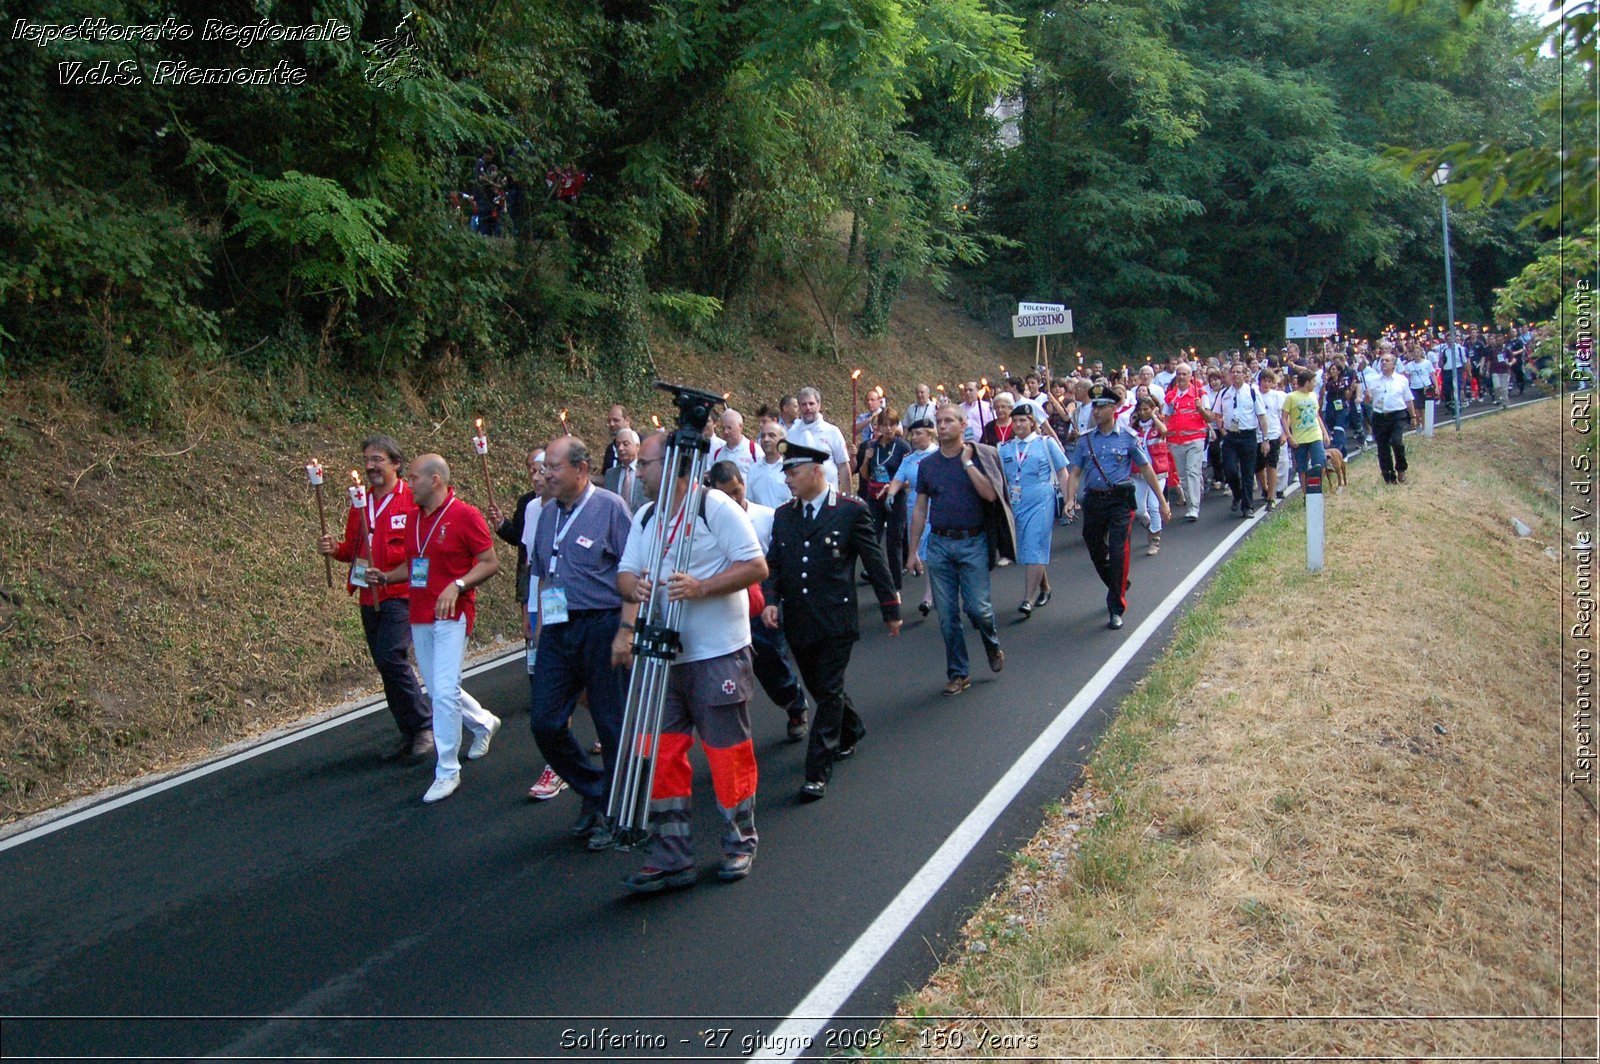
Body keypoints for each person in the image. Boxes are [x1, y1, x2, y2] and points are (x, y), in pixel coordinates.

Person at [612, 431, 768, 892]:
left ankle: (739, 843)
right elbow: (625, 571)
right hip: (662, 656)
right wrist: (632, 590)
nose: (638, 472)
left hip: (717, 652)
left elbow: (756, 566)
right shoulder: (644, 517)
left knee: (726, 753)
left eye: (646, 463)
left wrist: (702, 587)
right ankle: (670, 854)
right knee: (659, 754)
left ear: (676, 466)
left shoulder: (714, 507)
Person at [761, 442, 901, 801]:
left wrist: (890, 607)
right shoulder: (784, 515)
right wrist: (772, 601)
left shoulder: (850, 511)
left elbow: (874, 560)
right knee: (823, 688)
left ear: (816, 470)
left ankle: (817, 770)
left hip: (836, 618)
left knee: (829, 689)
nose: (788, 479)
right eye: (787, 473)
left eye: (793, 472)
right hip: (800, 619)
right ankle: (851, 728)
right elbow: (774, 564)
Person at [369, 454, 502, 803]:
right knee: (440, 689)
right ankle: (483, 721)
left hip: (453, 614)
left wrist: (458, 585)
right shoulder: (413, 519)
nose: (407, 484)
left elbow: (489, 562)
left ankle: (447, 769)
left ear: (435, 481)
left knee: (443, 692)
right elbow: (415, 565)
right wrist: (386, 576)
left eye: (413, 478)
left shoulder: (465, 515)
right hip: (420, 612)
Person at [525, 434, 635, 848]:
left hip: (601, 624)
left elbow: (633, 573)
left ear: (581, 469)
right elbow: (543, 571)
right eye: (543, 468)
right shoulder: (546, 512)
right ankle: (595, 789)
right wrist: (538, 628)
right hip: (557, 628)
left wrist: (627, 630)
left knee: (610, 722)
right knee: (545, 721)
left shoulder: (610, 508)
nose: (545, 474)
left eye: (553, 467)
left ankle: (616, 810)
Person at [319, 434, 434, 760]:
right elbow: (353, 549)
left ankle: (425, 725)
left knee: (391, 656)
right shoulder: (360, 503)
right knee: (384, 665)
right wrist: (335, 550)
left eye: (377, 460)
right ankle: (409, 731)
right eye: (366, 460)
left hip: (400, 593)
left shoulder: (410, 499)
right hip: (370, 596)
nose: (370, 466)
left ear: (395, 463)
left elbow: (421, 548)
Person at [708, 460, 811, 742]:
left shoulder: (767, 517)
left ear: (744, 485)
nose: (732, 500)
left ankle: (794, 703)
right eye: (724, 496)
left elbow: (778, 563)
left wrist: (773, 600)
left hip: (762, 601)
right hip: (726, 602)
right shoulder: (707, 524)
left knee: (770, 661)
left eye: (736, 492)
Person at [907, 405, 1006, 695]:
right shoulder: (927, 465)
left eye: (949, 420)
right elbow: (920, 509)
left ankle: (991, 644)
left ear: (963, 425)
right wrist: (913, 551)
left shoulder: (980, 456)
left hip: (973, 543)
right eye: (939, 422)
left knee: (978, 610)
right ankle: (958, 673)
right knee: (947, 615)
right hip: (939, 544)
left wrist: (967, 464)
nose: (943, 425)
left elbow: (990, 494)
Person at [1063, 386, 1171, 630]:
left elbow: (1146, 469)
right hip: (1094, 500)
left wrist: (1162, 502)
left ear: (1114, 409)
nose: (1097, 411)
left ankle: (1116, 606)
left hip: (1119, 501)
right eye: (1095, 406)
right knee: (1094, 546)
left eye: (1102, 406)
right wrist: (1070, 499)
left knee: (1119, 550)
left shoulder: (1128, 437)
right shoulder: (1086, 439)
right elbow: (1075, 472)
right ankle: (1117, 581)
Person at [999, 400, 1070, 613]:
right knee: (1028, 549)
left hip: (1041, 501)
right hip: (1016, 503)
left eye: (1023, 420)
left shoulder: (1046, 443)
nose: (1019, 424)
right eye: (1016, 420)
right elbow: (999, 478)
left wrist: (1069, 502)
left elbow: (1063, 473)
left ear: (1032, 422)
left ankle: (1028, 599)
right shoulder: (1005, 448)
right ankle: (1045, 587)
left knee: (1035, 543)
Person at [885, 418, 939, 616]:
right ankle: (920, 568)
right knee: (916, 545)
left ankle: (928, 596)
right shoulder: (909, 459)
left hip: (935, 504)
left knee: (931, 547)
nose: (914, 437)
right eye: (913, 434)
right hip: (914, 505)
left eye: (919, 434)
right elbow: (898, 478)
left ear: (930, 434)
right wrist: (891, 494)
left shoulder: (938, 455)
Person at [855, 409, 911, 590]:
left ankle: (895, 584)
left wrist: (894, 487)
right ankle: (878, 576)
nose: (888, 429)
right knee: (873, 538)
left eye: (892, 424)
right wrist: (865, 460)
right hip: (875, 497)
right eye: (884, 424)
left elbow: (909, 480)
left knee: (894, 540)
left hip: (896, 498)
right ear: (877, 426)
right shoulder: (871, 446)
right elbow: (865, 475)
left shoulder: (903, 447)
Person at [1207, 363, 1271, 517]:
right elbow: (1216, 414)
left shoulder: (1252, 392)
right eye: (1233, 372)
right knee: (1230, 470)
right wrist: (1222, 430)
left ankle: (1247, 506)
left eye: (1239, 372)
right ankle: (1237, 493)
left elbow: (1261, 416)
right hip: (1231, 436)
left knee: (1248, 471)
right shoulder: (1224, 394)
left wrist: (1265, 439)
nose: (1235, 375)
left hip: (1248, 435)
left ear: (1244, 374)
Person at [1163, 363, 1207, 522]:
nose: (1181, 377)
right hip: (1176, 441)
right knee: (1183, 475)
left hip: (1195, 439)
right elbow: (1165, 419)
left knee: (1192, 471)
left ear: (1190, 376)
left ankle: (1194, 507)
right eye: (1179, 374)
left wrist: (1200, 408)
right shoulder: (1170, 396)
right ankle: (1192, 501)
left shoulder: (1199, 393)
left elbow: (1209, 417)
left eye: (1184, 374)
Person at [785, 387, 852, 488]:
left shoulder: (832, 432)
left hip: (829, 496)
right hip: (800, 496)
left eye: (811, 404)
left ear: (819, 405)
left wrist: (848, 498)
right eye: (804, 404)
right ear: (799, 407)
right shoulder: (791, 434)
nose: (808, 408)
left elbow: (843, 466)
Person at [1130, 396, 1170, 553]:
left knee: (1154, 505)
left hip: (1158, 472)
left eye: (1146, 409)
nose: (1143, 412)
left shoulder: (1157, 425)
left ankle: (1155, 538)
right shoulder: (1135, 427)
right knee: (1139, 509)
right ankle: (1151, 525)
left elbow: (1164, 431)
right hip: (1139, 473)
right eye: (1140, 409)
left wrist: (1154, 415)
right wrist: (1131, 421)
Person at [1369, 353, 1415, 485]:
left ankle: (1401, 468)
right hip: (1379, 416)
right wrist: (1366, 397)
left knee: (1396, 441)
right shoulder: (1374, 380)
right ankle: (1388, 477)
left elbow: (1408, 399)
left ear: (1394, 364)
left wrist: (1413, 417)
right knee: (1382, 447)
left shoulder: (1401, 380)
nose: (1384, 363)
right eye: (1382, 361)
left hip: (1397, 415)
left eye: (1387, 361)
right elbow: (1369, 399)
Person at [1281, 369, 1331, 480]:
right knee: (1302, 468)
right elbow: (1284, 418)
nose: (1315, 384)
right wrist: (1289, 436)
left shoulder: (1313, 395)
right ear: (1307, 382)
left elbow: (1316, 415)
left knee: (1321, 461)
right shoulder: (1291, 397)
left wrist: (1325, 433)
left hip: (1315, 435)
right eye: (1313, 381)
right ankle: (1306, 494)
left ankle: (1316, 488)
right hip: (1299, 437)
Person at [1254, 368, 1287, 511]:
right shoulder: (1254, 394)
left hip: (1273, 434)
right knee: (1258, 468)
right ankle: (1266, 487)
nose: (1266, 384)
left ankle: (1271, 497)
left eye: (1269, 381)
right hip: (1257, 435)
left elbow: (1284, 416)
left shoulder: (1277, 396)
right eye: (1264, 381)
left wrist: (1284, 433)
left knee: (1271, 466)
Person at [746, 421, 791, 509]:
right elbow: (749, 501)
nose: (766, 439)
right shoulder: (753, 470)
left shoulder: (790, 469)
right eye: (763, 436)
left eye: (771, 435)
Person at [602, 428, 646, 510]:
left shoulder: (647, 472)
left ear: (637, 447)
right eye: (618, 445)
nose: (620, 448)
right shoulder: (610, 474)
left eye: (625, 444)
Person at [715, 409, 760, 473]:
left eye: (729, 428)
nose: (726, 432)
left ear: (740, 427)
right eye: (723, 428)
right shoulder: (718, 453)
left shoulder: (754, 451)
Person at [1400, 348, 1435, 429]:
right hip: (1414, 388)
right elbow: (1407, 378)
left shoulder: (1427, 363)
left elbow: (1432, 375)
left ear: (1421, 353)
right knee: (1416, 409)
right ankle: (1418, 424)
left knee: (1423, 408)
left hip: (1425, 387)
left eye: (1418, 352)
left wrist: (1436, 387)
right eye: (1414, 352)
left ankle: (1424, 425)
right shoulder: (1409, 365)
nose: (1416, 354)